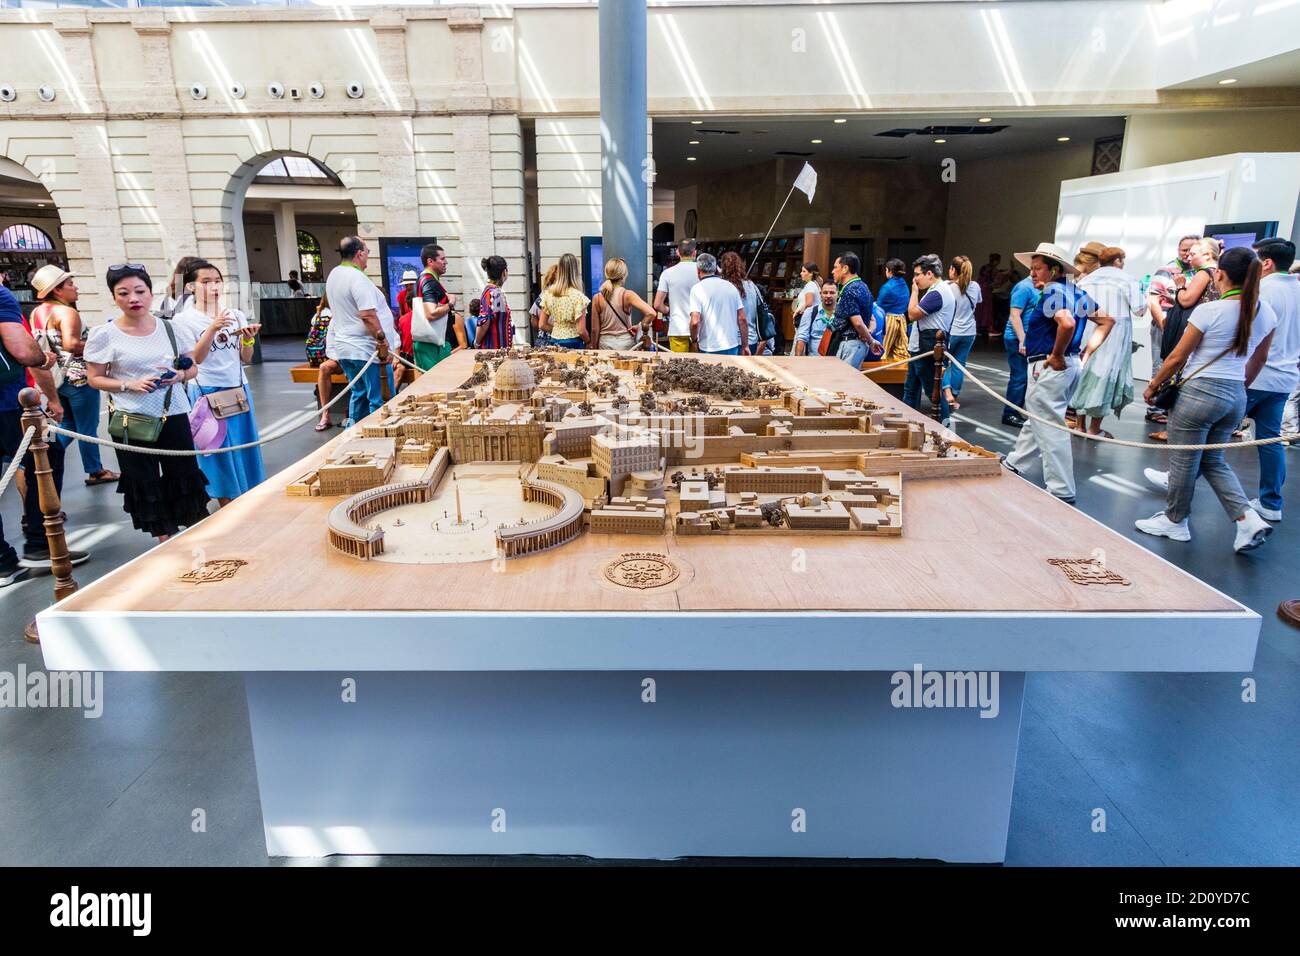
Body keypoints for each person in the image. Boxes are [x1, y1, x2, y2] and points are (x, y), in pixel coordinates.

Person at [1136, 247, 1277, 552]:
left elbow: (1176, 357)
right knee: (1213, 459)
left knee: (1184, 461)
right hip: (1236, 393)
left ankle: (1175, 521)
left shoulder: (1209, 311)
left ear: (1220, 274)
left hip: (1199, 395)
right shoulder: (1266, 312)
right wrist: (1239, 388)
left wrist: (1153, 386)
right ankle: (1247, 520)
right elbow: (1260, 359)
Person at [83, 264, 216, 541]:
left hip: (174, 413)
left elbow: (192, 368)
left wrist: (179, 374)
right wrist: (127, 384)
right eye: (124, 293)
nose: (133, 298)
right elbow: (94, 378)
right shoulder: (104, 334)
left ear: (150, 293)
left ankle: (195, 535)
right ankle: (163, 538)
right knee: (145, 479)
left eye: (139, 291)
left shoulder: (172, 329)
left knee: (183, 473)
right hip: (132, 417)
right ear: (114, 297)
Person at [1003, 242, 1111, 504]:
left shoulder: (1053, 292)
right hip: (1069, 366)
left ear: (1053, 270)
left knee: (1050, 426)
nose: (1032, 273)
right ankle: (1015, 462)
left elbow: (1067, 322)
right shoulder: (1074, 291)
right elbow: (1107, 320)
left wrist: (1057, 355)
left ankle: (1061, 488)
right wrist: (1085, 352)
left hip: (1049, 366)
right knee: (1040, 416)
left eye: (1037, 269)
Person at [1, 281, 91, 585]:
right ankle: (40, 541)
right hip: (8, 404)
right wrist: (43, 359)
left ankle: (4, 561)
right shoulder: (2, 297)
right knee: (47, 457)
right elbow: (22, 349)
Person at [172, 259, 265, 506]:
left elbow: (245, 358)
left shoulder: (235, 315)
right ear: (191, 286)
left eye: (217, 281)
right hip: (207, 390)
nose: (214, 286)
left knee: (245, 444)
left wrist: (248, 340)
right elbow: (195, 360)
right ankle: (226, 501)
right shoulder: (184, 320)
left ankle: (250, 495)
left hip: (237, 388)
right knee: (217, 449)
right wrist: (212, 328)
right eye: (206, 282)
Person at [29, 265, 119, 485]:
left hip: (57, 378)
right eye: (69, 284)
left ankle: (47, 454)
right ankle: (96, 470)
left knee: (69, 425)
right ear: (57, 291)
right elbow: (71, 344)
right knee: (87, 428)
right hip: (78, 377)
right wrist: (103, 344)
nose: (75, 287)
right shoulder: (67, 312)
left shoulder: (38, 312)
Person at [1241, 238, 1300, 522]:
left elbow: (1247, 333)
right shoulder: (1298, 289)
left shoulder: (1263, 289)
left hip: (1255, 375)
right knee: (1270, 440)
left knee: (1210, 432)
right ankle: (1271, 503)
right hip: (1285, 378)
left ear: (1266, 263)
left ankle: (1176, 483)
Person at [323, 237, 398, 425]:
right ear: (360, 253)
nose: (367, 258)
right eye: (367, 253)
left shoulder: (334, 274)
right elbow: (368, 315)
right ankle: (379, 438)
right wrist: (384, 344)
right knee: (379, 400)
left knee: (360, 394)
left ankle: (354, 436)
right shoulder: (357, 278)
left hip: (347, 349)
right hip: (367, 351)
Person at [1073, 246, 1144, 438]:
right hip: (1114, 333)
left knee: (1085, 373)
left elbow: (1078, 308)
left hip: (1089, 330)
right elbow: (1140, 310)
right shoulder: (1128, 280)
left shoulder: (1086, 280)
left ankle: (1079, 425)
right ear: (1118, 261)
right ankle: (1094, 429)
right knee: (1106, 377)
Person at [1145, 235, 1201, 438]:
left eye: (1191, 250)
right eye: (1183, 250)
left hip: (1189, 327)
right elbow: (1153, 301)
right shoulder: (1166, 270)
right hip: (1166, 324)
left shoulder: (1200, 272)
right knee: (1162, 364)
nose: (1187, 254)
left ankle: (1170, 409)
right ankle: (1155, 408)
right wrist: (1165, 327)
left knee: (1180, 368)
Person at [903, 254, 957, 423]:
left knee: (932, 393)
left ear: (929, 273)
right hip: (920, 349)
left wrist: (914, 293)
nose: (915, 279)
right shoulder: (938, 291)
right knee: (911, 390)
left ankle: (946, 429)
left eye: (918, 274)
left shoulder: (937, 293)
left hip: (926, 350)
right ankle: (906, 425)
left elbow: (912, 314)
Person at [412, 244, 466, 370]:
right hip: (433, 345)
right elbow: (431, 313)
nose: (445, 262)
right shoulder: (429, 281)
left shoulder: (425, 279)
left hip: (430, 344)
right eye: (442, 259)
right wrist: (451, 303)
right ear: (430, 261)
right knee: (438, 386)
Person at [589, 256, 655, 351]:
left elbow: (594, 330)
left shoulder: (597, 298)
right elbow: (651, 313)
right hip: (625, 344)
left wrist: (594, 348)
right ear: (623, 275)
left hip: (604, 343)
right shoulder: (627, 295)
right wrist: (640, 325)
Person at [688, 253, 747, 355]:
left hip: (708, 347)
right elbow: (742, 319)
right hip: (732, 345)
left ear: (698, 270)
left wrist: (693, 340)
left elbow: (695, 322)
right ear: (716, 269)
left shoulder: (697, 289)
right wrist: (745, 345)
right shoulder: (730, 286)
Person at [828, 252, 879, 368]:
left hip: (850, 344)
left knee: (843, 383)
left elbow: (857, 322)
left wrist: (871, 340)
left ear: (845, 268)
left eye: (835, 267)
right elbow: (872, 318)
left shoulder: (850, 289)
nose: (832, 271)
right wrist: (868, 334)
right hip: (856, 344)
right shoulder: (863, 286)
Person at [941, 256, 980, 410]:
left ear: (952, 270)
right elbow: (977, 303)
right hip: (969, 331)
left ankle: (947, 393)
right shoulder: (975, 286)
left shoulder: (948, 287)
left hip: (952, 331)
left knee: (942, 363)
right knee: (959, 364)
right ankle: (954, 396)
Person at [1002, 271, 1038, 427]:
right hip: (1016, 338)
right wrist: (1022, 339)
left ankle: (1015, 411)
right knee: (1020, 377)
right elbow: (1014, 316)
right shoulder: (1024, 287)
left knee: (1024, 377)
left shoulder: (1038, 287)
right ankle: (1010, 413)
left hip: (1028, 339)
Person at [720, 252, 770, 356]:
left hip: (730, 340)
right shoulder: (752, 285)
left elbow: (740, 318)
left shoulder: (725, 286)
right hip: (751, 338)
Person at [655, 239, 700, 352]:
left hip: (677, 329)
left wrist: (669, 310)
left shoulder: (667, 273)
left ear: (677, 252)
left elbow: (657, 304)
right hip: (701, 330)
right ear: (695, 252)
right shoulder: (702, 272)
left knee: (678, 367)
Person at [305, 293, 341, 431]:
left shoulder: (318, 316)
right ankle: (325, 415)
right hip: (335, 356)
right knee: (324, 368)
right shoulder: (329, 317)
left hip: (353, 355)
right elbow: (330, 344)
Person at [539, 253, 590, 349]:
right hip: (574, 343)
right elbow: (581, 330)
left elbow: (542, 325)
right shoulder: (579, 297)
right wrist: (588, 341)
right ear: (575, 272)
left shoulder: (549, 294)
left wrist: (558, 329)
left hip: (555, 342)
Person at [876, 258, 911, 362]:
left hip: (888, 320)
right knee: (901, 352)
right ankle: (900, 376)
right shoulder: (904, 284)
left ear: (889, 271)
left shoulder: (887, 287)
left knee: (882, 351)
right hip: (902, 319)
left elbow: (879, 305)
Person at [476, 255, 513, 349]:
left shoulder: (493, 291)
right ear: (504, 272)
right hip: (494, 349)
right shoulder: (494, 292)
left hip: (499, 348)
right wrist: (476, 343)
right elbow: (485, 321)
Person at [793, 280, 838, 356]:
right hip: (814, 361)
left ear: (838, 294)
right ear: (820, 294)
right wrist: (798, 360)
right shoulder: (810, 312)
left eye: (832, 293)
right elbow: (801, 338)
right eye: (825, 292)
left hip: (837, 361)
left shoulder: (843, 313)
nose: (828, 296)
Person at [793, 262, 822, 344]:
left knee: (800, 342)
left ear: (811, 273)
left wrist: (797, 312)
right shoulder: (814, 284)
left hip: (807, 319)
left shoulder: (810, 285)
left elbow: (809, 303)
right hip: (811, 319)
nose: (801, 273)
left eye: (804, 271)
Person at [976, 253, 1001, 337]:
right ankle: (990, 329)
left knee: (979, 309)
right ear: (996, 261)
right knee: (988, 310)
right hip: (987, 291)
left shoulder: (984, 267)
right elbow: (995, 283)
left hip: (980, 289)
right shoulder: (994, 270)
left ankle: (976, 328)